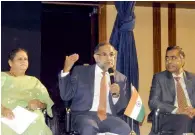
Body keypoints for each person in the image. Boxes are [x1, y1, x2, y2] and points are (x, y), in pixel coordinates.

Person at [58, 43, 131, 135]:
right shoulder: (81, 72)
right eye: (104, 54)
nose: (109, 58)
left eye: (112, 55)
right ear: (96, 57)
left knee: (125, 129)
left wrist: (116, 95)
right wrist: (66, 70)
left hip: (109, 117)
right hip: (84, 115)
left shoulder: (121, 78)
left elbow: (121, 109)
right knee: (89, 127)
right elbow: (66, 95)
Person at [1, 48, 54, 135]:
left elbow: (46, 103)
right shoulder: (2, 77)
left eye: (26, 59)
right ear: (10, 63)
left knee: (37, 124)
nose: (24, 61)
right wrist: (2, 109)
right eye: (20, 59)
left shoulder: (34, 81)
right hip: (6, 114)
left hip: (30, 116)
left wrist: (39, 104)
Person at [149, 46, 195, 134]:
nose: (169, 61)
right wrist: (177, 110)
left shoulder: (193, 78)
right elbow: (153, 102)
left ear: (182, 59)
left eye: (173, 58)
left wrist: (194, 110)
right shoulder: (159, 78)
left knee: (188, 119)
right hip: (169, 117)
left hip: (191, 115)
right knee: (185, 119)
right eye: (167, 59)